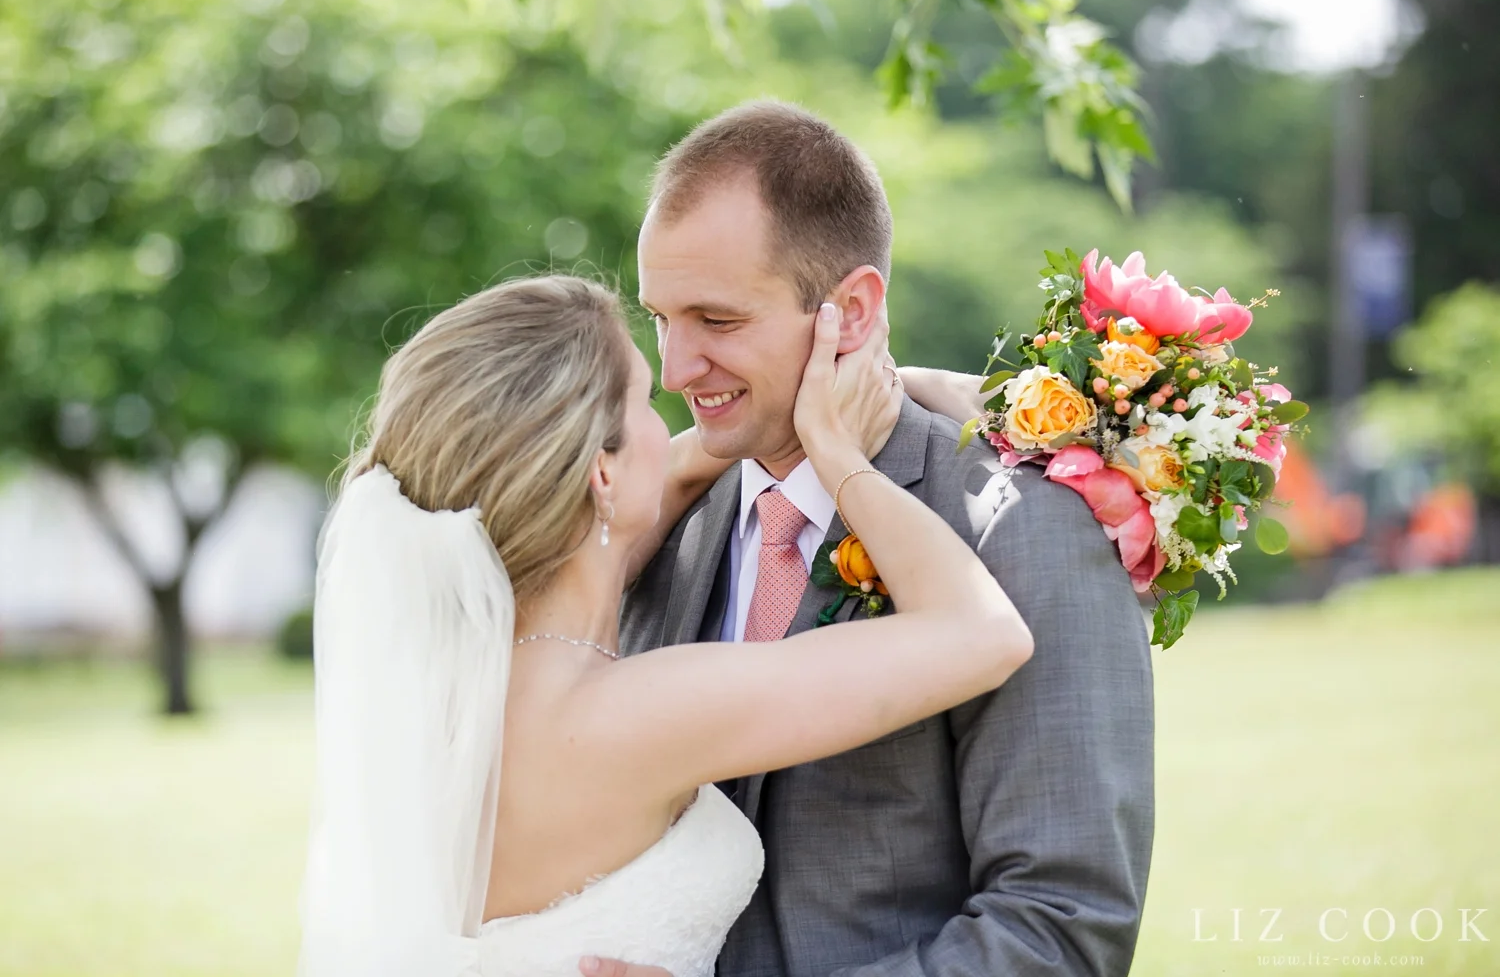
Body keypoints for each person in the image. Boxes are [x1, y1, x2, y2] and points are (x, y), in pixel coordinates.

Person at [296, 273, 1034, 977]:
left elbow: (664, 475)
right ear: (602, 475)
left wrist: (901, 386)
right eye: (647, 403)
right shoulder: (627, 714)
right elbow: (983, 634)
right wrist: (834, 449)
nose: (675, 415)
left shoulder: (461, 694)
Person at [605, 101, 1155, 977]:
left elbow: (1060, 929)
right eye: (660, 318)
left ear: (851, 311)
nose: (674, 369)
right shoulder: (658, 527)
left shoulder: (1025, 530)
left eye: (717, 320)